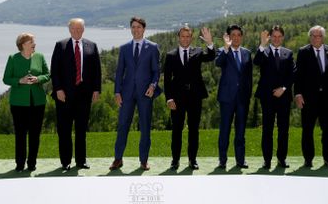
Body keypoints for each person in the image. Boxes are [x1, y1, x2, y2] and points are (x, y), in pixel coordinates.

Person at [110, 16, 161, 171]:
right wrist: (117, 92)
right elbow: (119, 72)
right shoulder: (124, 48)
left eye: (138, 27)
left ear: (144, 29)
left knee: (145, 127)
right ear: (130, 29)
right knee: (123, 125)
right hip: (126, 94)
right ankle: (118, 159)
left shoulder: (153, 47)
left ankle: (144, 161)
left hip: (146, 93)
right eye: (133, 27)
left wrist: (153, 86)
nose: (135, 30)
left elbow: (156, 71)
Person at [51, 18, 101, 170]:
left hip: (84, 97)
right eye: (74, 29)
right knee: (64, 130)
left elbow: (97, 71)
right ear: (69, 30)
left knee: (81, 130)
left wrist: (96, 89)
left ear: (83, 29)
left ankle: (81, 161)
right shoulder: (60, 45)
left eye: (79, 29)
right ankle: (65, 162)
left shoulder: (92, 46)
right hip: (64, 96)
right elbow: (55, 70)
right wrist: (58, 89)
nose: (77, 31)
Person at [164, 25, 215, 170]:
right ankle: (175, 160)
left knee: (194, 130)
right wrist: (169, 99)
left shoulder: (198, 52)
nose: (185, 39)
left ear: (191, 38)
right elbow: (167, 80)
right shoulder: (170, 55)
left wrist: (210, 43)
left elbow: (211, 56)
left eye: (188, 36)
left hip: (195, 98)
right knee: (176, 130)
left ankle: (192, 160)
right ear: (178, 37)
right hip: (177, 100)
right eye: (182, 36)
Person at [294, 25, 328, 168]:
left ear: (323, 37)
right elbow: (298, 76)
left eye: (319, 36)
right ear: (310, 37)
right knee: (307, 130)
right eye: (313, 36)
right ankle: (308, 159)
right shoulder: (303, 52)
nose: (316, 38)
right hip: (308, 99)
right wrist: (297, 94)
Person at [3, 33, 50, 172]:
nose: (34, 44)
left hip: (38, 102)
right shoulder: (13, 58)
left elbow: (47, 74)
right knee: (20, 134)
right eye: (31, 41)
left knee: (35, 134)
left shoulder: (40, 57)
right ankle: (20, 163)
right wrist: (19, 80)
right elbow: (6, 79)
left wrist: (38, 79)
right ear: (23, 44)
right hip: (18, 103)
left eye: (33, 41)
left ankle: (32, 163)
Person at [253, 25, 294, 169]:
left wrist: (283, 88)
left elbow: (292, 75)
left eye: (279, 36)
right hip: (267, 97)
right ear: (270, 37)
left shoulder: (288, 53)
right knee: (267, 130)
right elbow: (256, 61)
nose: (276, 39)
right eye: (274, 36)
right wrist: (262, 44)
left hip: (284, 97)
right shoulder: (264, 51)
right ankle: (267, 160)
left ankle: (281, 159)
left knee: (284, 130)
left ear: (283, 37)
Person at [215, 24, 253, 169]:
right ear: (228, 37)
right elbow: (218, 63)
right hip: (227, 98)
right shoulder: (222, 51)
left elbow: (249, 77)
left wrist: (248, 95)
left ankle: (240, 160)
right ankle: (222, 160)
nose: (236, 38)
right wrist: (225, 47)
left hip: (242, 99)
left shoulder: (247, 53)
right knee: (224, 130)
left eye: (238, 35)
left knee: (241, 131)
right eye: (233, 35)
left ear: (241, 37)